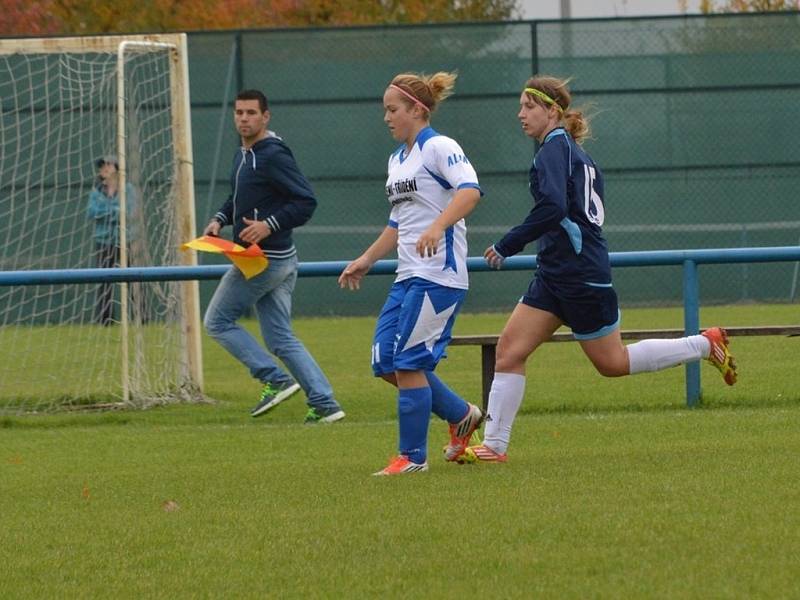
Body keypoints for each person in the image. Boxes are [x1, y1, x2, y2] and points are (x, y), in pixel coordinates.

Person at [458, 75, 738, 464]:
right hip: (556, 272)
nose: (520, 114)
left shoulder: (554, 150)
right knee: (509, 351)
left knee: (613, 364)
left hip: (580, 276)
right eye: (520, 106)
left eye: (528, 106)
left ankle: (706, 344)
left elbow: (554, 208)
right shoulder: (568, 151)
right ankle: (494, 447)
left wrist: (509, 243)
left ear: (552, 111)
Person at [338, 72, 485, 475]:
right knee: (386, 361)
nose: (386, 117)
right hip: (407, 276)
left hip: (439, 276)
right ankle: (460, 414)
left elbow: (469, 191)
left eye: (392, 109)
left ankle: (412, 458)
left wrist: (438, 226)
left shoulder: (439, 146)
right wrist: (367, 259)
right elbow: (398, 222)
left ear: (417, 110)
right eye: (385, 109)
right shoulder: (397, 159)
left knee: (407, 363)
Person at [203, 89, 345, 424]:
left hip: (264, 261)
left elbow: (306, 201)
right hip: (276, 259)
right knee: (280, 337)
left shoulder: (273, 154)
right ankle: (325, 403)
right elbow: (238, 195)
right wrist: (220, 219)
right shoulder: (244, 153)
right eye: (239, 113)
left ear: (266, 116)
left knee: (217, 321)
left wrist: (269, 225)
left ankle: (275, 378)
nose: (244, 119)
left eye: (251, 113)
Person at [87, 155, 139, 326]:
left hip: (125, 240)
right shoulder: (96, 191)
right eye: (102, 167)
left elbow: (129, 212)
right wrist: (114, 210)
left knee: (133, 280)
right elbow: (92, 212)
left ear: (117, 168)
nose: (104, 169)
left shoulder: (128, 189)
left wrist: (108, 211)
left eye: (108, 165)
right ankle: (105, 320)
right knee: (104, 282)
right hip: (103, 241)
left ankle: (141, 317)